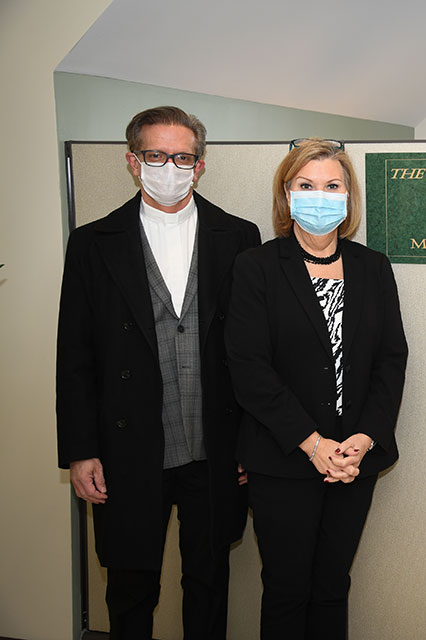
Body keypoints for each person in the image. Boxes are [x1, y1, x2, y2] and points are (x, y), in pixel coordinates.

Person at [56, 106, 261, 639]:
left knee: (210, 581)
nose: (170, 167)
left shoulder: (239, 237)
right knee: (129, 588)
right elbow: (74, 356)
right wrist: (80, 450)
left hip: (214, 447)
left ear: (200, 164)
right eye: (156, 155)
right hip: (127, 450)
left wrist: (249, 442)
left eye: (183, 157)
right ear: (132, 161)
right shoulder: (92, 243)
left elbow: (255, 353)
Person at [225, 138, 408, 639]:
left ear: (349, 197)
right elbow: (249, 369)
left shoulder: (373, 266)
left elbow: (391, 360)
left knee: (332, 584)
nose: (320, 196)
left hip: (353, 460)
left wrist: (364, 439)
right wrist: (313, 443)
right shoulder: (257, 267)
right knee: (286, 589)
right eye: (306, 185)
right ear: (286, 195)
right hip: (284, 458)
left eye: (332, 186)